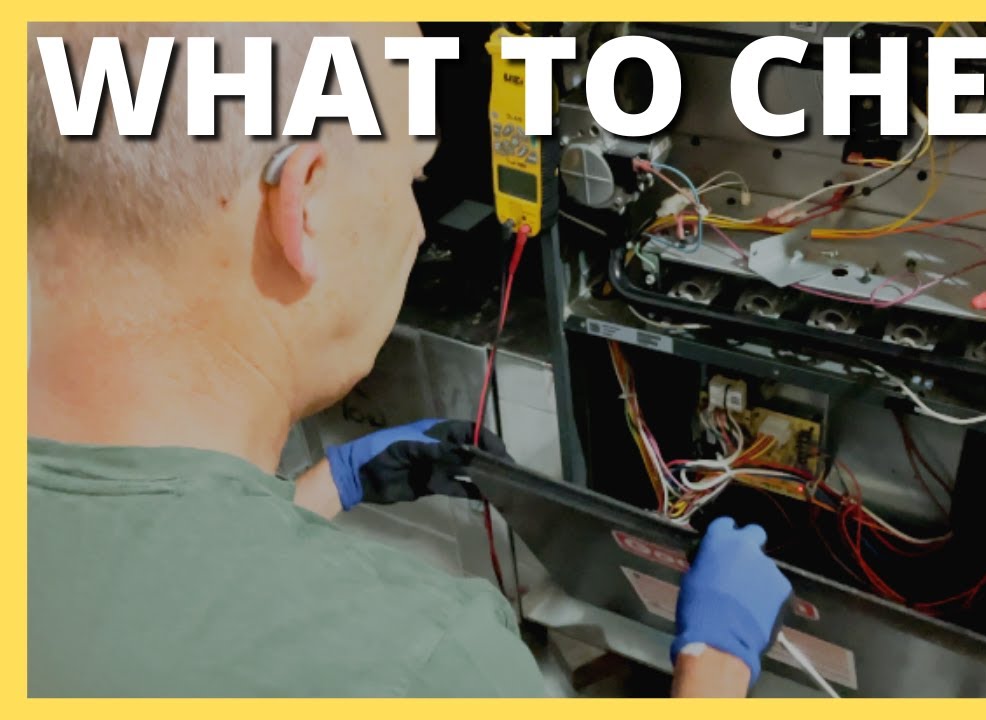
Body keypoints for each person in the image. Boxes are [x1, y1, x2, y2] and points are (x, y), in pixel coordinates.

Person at [27, 22, 792, 697]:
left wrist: (322, 488)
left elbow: (142, 589)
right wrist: (716, 663)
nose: (419, 227)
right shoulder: (417, 663)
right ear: (305, 207)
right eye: (412, 179)